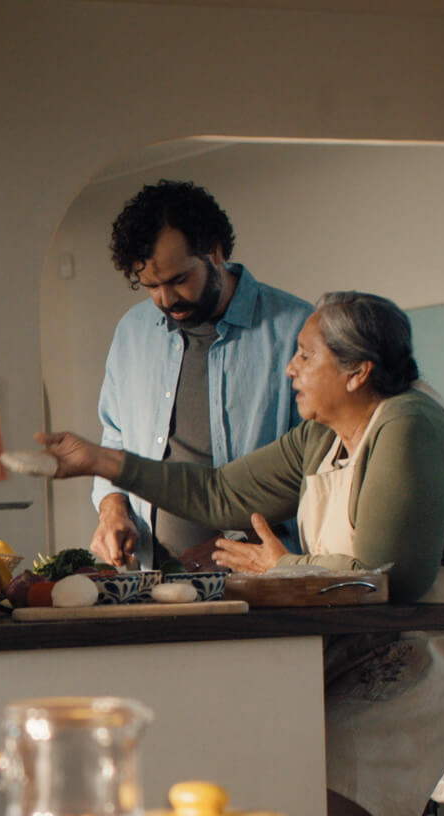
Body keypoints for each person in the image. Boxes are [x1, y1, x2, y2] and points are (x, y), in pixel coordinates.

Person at [40, 291, 444, 816]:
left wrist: (280, 567)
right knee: (272, 751)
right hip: (388, 643)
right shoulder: (320, 437)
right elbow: (220, 492)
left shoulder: (409, 425)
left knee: (338, 798)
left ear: (357, 372)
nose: (290, 368)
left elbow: (391, 580)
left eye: (305, 355)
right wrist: (101, 461)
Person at [93, 180, 312, 570]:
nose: (166, 299)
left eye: (179, 280)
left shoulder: (297, 328)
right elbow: (115, 436)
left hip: (255, 578)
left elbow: (315, 464)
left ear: (215, 251)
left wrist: (229, 547)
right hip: (149, 575)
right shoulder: (132, 331)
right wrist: (112, 507)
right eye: (151, 286)